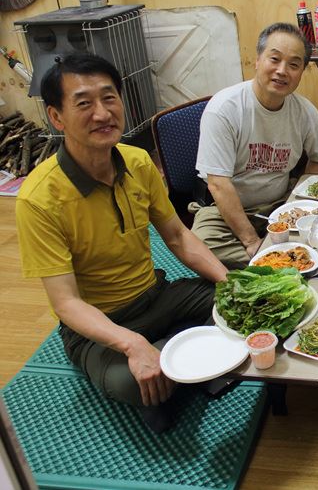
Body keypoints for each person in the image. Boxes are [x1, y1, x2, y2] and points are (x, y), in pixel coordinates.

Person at [16, 53, 229, 433]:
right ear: (56, 117)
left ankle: (169, 366)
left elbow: (178, 236)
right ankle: (173, 360)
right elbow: (66, 303)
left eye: (109, 97)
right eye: (84, 103)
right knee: (129, 382)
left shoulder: (138, 163)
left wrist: (231, 284)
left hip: (157, 295)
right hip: (101, 328)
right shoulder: (38, 199)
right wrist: (131, 344)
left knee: (245, 308)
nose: (102, 113)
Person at [193, 22, 318, 268]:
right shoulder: (224, 109)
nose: (282, 71)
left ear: (302, 71)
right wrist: (250, 241)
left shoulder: (304, 111)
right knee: (201, 244)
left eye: (294, 65)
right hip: (227, 210)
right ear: (257, 60)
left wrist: (299, 202)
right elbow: (218, 184)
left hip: (281, 204)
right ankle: (283, 259)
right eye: (274, 59)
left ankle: (273, 260)